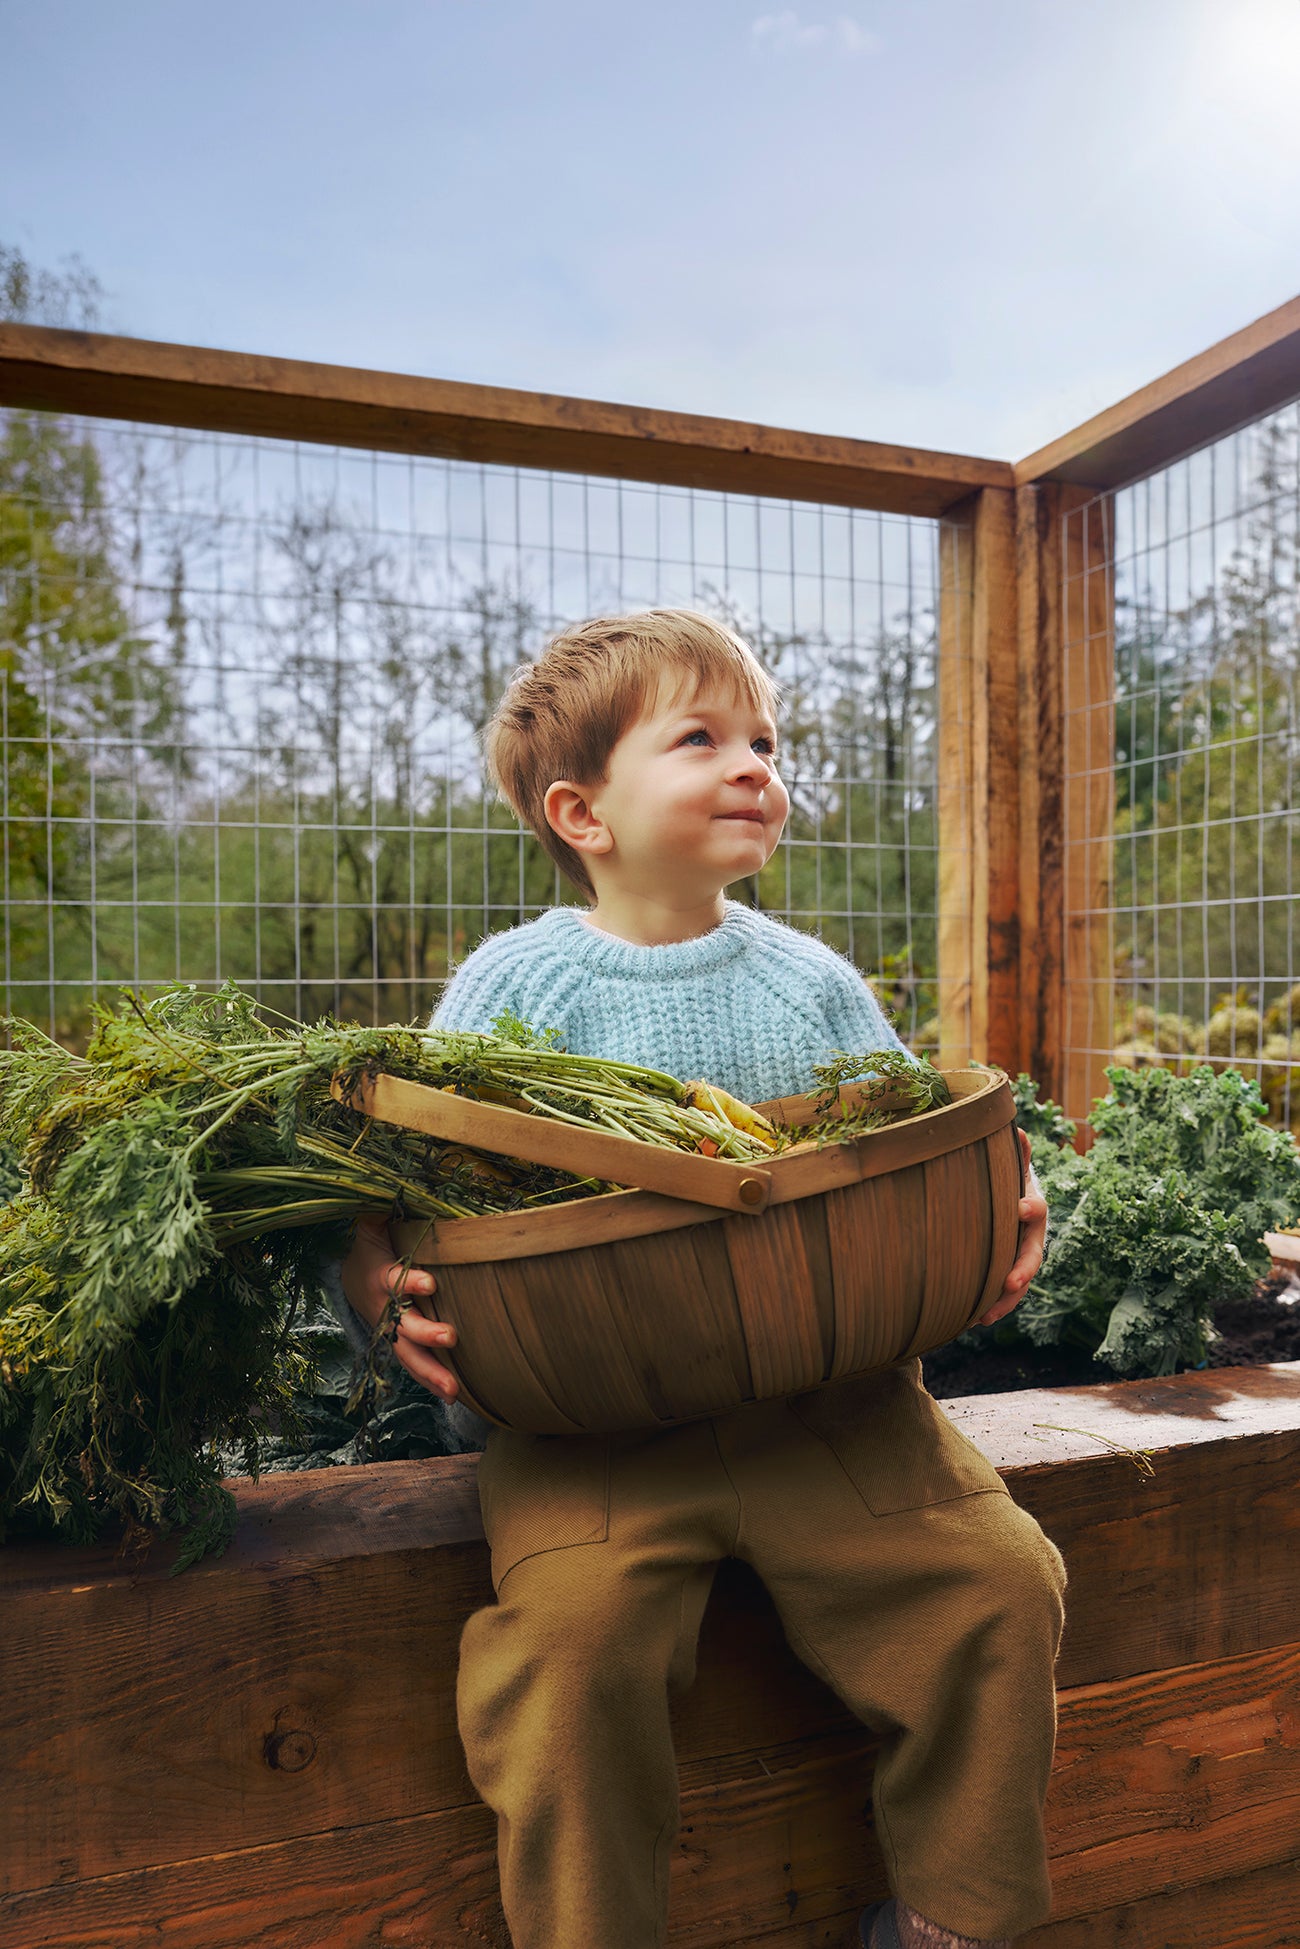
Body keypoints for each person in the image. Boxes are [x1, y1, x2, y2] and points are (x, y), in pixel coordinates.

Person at [338, 609, 1063, 1949]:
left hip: (830, 1395)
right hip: (589, 1423)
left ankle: (958, 1918)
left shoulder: (810, 987)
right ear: (583, 810)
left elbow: (914, 1144)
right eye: (703, 738)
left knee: (1000, 1584)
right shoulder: (511, 990)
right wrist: (378, 1276)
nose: (756, 765)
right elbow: (405, 1186)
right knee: (564, 1657)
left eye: (768, 741)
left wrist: (1000, 1198)